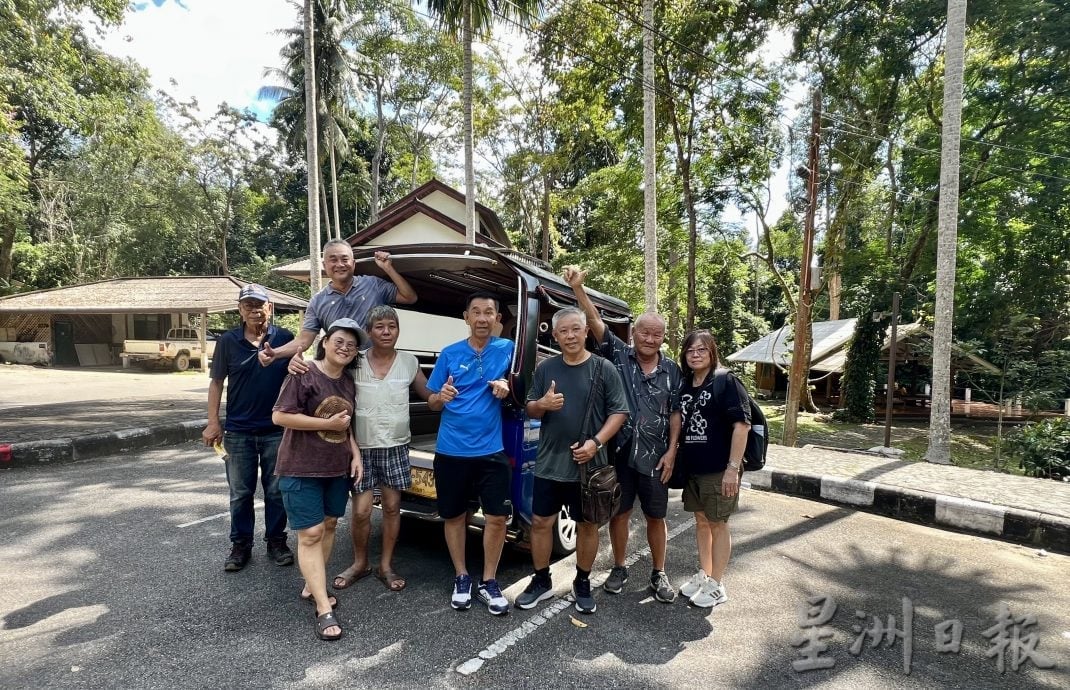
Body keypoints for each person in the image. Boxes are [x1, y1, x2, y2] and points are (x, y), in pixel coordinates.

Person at [290, 305, 433, 592]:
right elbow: (325, 367)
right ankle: (360, 562)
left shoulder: (409, 362)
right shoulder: (355, 360)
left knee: (393, 508)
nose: (386, 331)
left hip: (396, 446)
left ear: (398, 331)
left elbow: (428, 394)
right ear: (369, 332)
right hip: (361, 448)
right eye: (379, 326)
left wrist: (441, 396)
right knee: (362, 511)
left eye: (391, 326)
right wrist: (296, 361)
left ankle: (386, 566)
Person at [564, 266, 682, 603]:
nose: (649, 339)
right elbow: (595, 321)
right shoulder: (618, 354)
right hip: (620, 454)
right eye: (644, 333)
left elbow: (676, 413)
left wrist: (672, 451)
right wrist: (578, 290)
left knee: (657, 517)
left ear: (662, 337)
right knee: (620, 513)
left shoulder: (672, 370)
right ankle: (619, 566)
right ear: (634, 333)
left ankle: (659, 573)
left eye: (656, 335)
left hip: (657, 455)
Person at [515, 307, 628, 615]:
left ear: (586, 332)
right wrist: (543, 404)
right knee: (540, 524)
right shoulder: (545, 369)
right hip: (550, 463)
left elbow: (619, 412)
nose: (570, 335)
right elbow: (530, 409)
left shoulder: (605, 369)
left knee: (587, 525)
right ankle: (541, 580)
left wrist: (595, 443)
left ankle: (582, 581)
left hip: (589, 468)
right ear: (555, 336)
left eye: (576, 329)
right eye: (563, 331)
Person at [271, 319, 365, 641]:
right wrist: (325, 424)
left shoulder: (349, 382)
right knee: (309, 533)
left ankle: (312, 585)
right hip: (300, 466)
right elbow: (280, 415)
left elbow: (345, 424)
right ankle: (324, 607)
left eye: (351, 346)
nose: (345, 348)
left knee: (327, 526)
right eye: (339, 341)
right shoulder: (303, 373)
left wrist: (355, 453)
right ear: (324, 342)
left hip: (336, 468)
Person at [425, 291, 514, 615]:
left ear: (496, 319)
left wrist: (507, 386)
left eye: (488, 312)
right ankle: (461, 576)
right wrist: (442, 397)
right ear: (466, 317)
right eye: (475, 312)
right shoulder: (450, 354)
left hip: (492, 450)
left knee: (497, 517)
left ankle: (489, 581)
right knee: (454, 515)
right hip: (451, 450)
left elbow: (521, 384)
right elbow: (432, 400)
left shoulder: (508, 349)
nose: (481, 318)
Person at [202, 284, 294, 572]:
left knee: (277, 491)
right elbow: (216, 382)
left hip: (276, 430)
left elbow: (298, 378)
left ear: (271, 308)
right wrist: (213, 421)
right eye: (248, 305)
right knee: (240, 492)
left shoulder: (285, 338)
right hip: (238, 432)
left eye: (259, 305)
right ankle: (241, 544)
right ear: (240, 310)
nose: (254, 310)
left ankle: (276, 540)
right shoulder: (228, 341)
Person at [676, 329, 750, 608]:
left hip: (719, 469)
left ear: (712, 352)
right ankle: (705, 575)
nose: (695, 355)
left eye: (701, 350)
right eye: (690, 350)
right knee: (701, 523)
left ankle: (717, 585)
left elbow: (741, 426)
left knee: (719, 524)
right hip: (694, 469)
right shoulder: (686, 384)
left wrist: (732, 469)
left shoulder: (725, 381)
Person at [258, 239, 417, 366]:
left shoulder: (373, 285)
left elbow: (409, 297)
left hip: (375, 369)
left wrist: (388, 268)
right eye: (333, 260)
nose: (339, 264)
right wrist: (275, 353)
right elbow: (304, 340)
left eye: (345, 259)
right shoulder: (318, 301)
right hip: (340, 372)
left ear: (353, 264)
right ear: (324, 265)